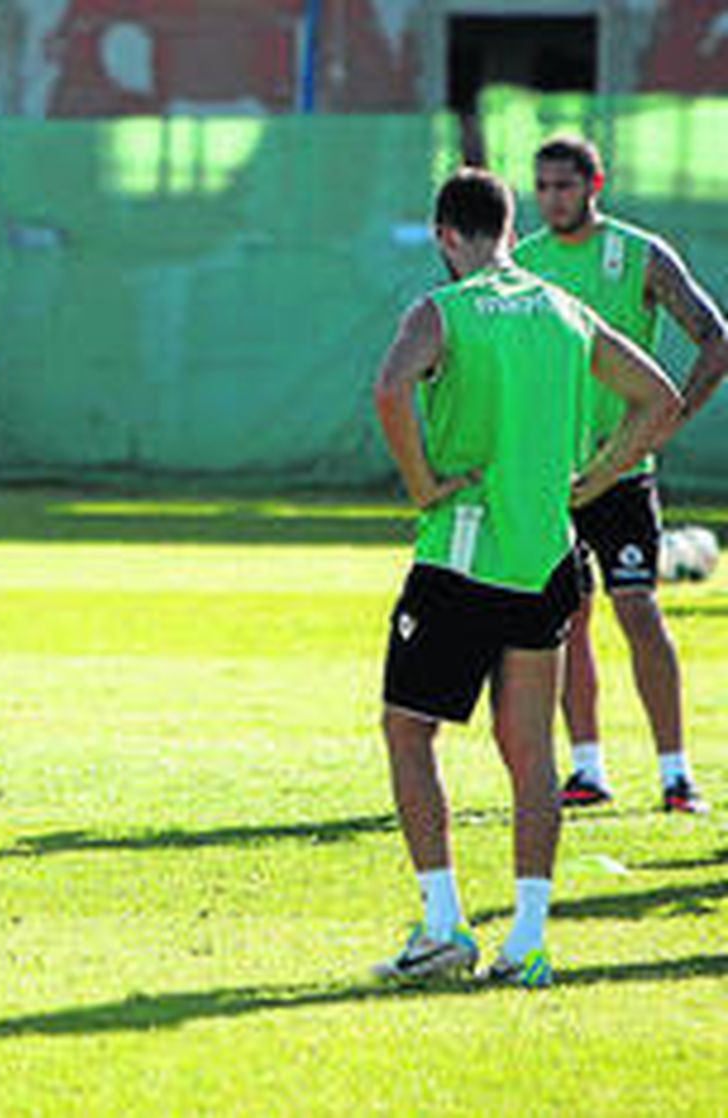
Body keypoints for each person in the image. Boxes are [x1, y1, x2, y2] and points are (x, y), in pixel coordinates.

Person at [371, 168, 679, 987]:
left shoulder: (443, 311)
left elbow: (390, 388)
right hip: (548, 559)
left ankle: (443, 925)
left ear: (447, 236)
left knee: (409, 730)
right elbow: (662, 396)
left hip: (463, 557)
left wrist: (423, 483)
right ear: (511, 227)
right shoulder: (565, 309)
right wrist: (601, 475)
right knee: (533, 752)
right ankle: (530, 942)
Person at [516, 136, 728, 815]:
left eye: (564, 186)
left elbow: (714, 338)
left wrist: (669, 420)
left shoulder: (639, 254)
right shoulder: (525, 263)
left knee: (637, 608)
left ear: (594, 184)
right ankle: (588, 769)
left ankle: (676, 774)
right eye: (542, 187)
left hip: (625, 473)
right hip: (557, 475)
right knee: (565, 621)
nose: (552, 199)